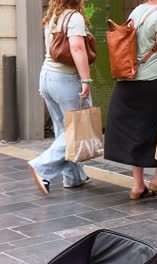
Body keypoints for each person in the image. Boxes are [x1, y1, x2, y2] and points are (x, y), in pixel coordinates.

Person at [104, 0, 157, 200]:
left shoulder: (136, 11)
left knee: (136, 133)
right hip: (154, 81)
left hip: (128, 81)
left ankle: (138, 185)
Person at [29, 0, 94, 195]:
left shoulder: (52, 17)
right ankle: (42, 167)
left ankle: (73, 177)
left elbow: (50, 50)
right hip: (67, 80)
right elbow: (77, 49)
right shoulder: (74, 17)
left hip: (48, 77)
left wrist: (46, 84)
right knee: (79, 129)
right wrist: (86, 80)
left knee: (63, 130)